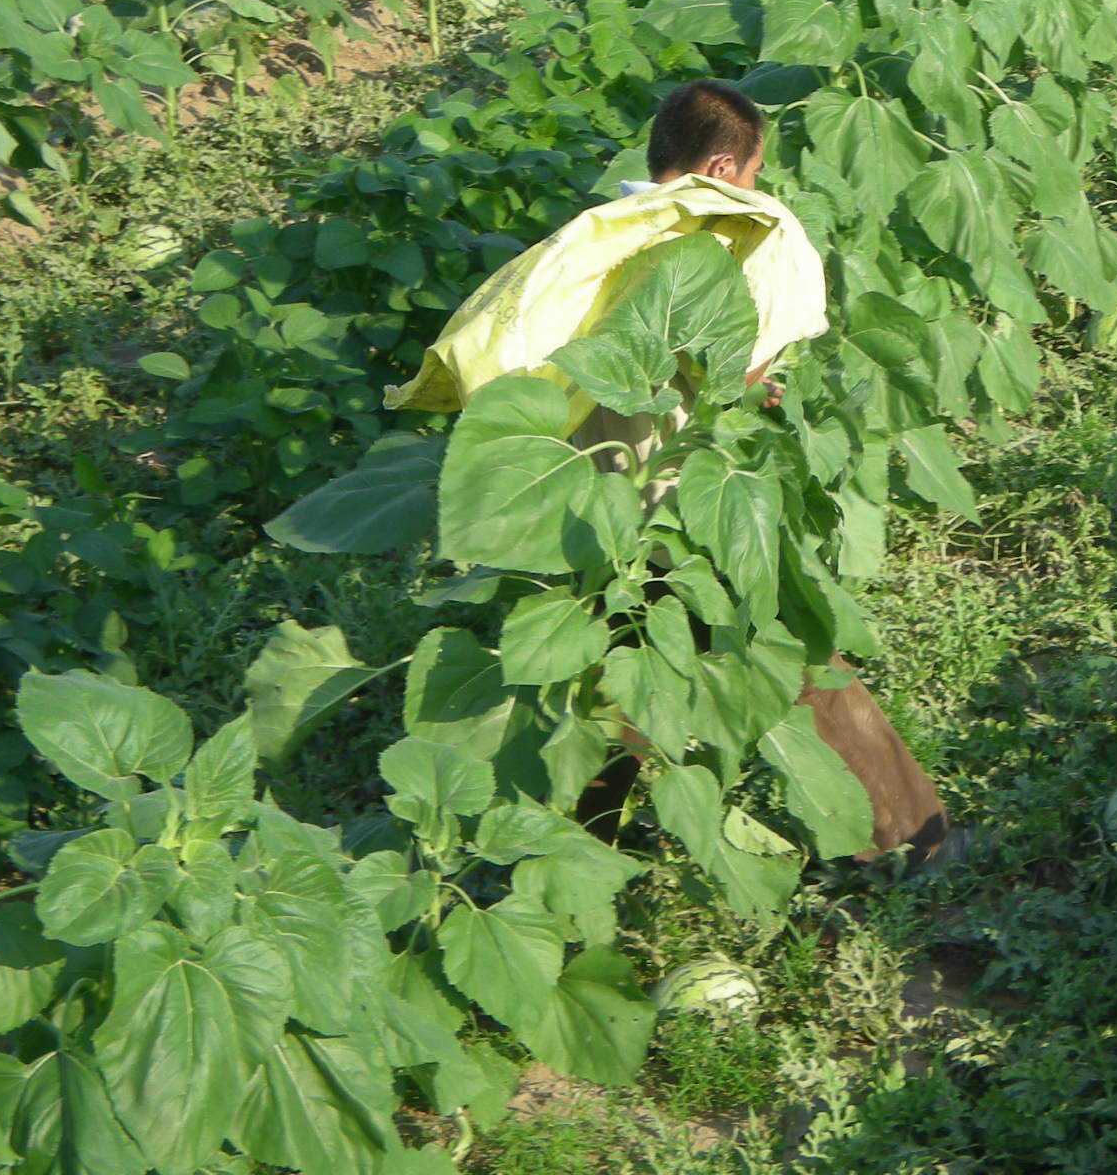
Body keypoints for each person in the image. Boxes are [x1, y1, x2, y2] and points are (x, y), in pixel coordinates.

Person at [392, 78, 963, 872]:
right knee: (792, 654)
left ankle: (569, 864)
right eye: (755, 171)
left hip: (594, 509)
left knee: (613, 689)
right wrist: (766, 389)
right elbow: (739, 375)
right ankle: (915, 842)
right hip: (690, 502)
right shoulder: (722, 239)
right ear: (723, 168)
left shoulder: (594, 241)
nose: (757, 187)